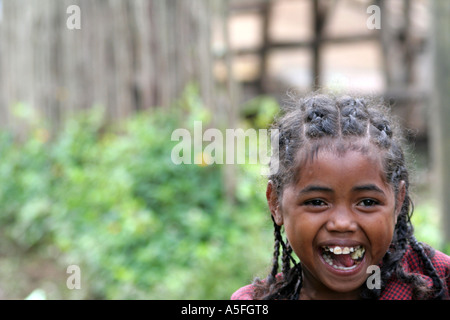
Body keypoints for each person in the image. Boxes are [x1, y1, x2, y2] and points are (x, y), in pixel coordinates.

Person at [231, 93, 450, 300]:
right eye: (316, 202)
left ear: (398, 202)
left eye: (367, 202)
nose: (342, 223)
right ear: (276, 203)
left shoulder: (438, 283)